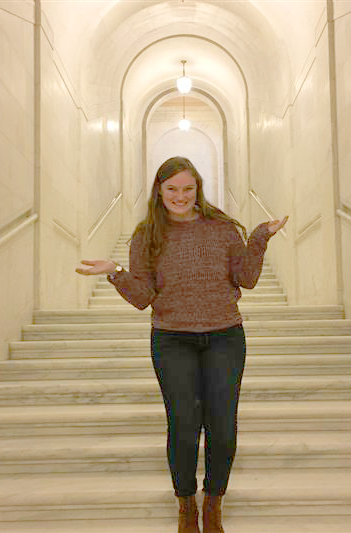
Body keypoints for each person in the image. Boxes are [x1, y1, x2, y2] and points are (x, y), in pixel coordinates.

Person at [76, 156, 288, 533]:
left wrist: (259, 238)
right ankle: (186, 504)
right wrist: (116, 273)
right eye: (172, 188)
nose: (180, 196)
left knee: (222, 427)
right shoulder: (147, 235)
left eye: (188, 188)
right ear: (159, 189)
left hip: (225, 336)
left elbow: (247, 278)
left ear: (198, 189)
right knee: (184, 425)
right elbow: (143, 297)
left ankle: (214, 504)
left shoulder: (221, 228)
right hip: (172, 340)